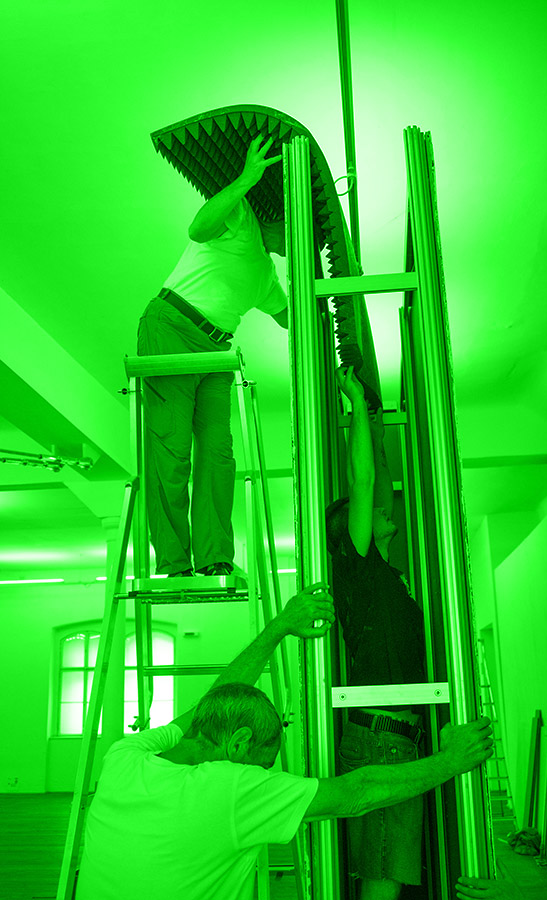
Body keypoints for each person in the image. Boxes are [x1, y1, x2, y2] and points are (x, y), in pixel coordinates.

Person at [75, 581, 494, 900]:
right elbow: (356, 792)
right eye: (263, 764)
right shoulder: (229, 788)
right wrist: (451, 760)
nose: (262, 774)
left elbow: (213, 701)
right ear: (239, 744)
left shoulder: (125, 755)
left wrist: (280, 627)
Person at [137, 135, 288, 578]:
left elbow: (293, 320)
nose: (300, 241)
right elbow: (198, 229)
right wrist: (247, 179)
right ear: (278, 216)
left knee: (219, 453)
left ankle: (214, 556)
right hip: (172, 326)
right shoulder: (241, 218)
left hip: (216, 350)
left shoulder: (268, 275)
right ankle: (173, 561)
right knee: (172, 449)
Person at [326, 364, 428, 900]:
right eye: (365, 511)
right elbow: (362, 479)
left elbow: (371, 483)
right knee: (383, 879)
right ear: (351, 528)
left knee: (386, 875)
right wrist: (355, 408)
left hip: (392, 740)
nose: (381, 507)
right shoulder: (359, 568)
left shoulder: (386, 577)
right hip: (382, 741)